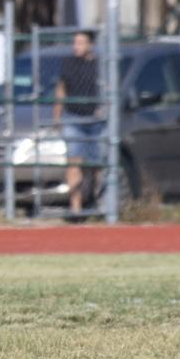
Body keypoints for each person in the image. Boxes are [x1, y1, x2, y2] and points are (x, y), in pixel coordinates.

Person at [54, 30, 104, 218]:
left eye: (81, 42)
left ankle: (98, 204)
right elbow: (60, 90)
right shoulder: (68, 64)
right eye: (75, 43)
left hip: (95, 120)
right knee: (74, 160)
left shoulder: (99, 65)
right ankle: (76, 209)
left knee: (97, 163)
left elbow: (106, 88)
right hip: (74, 118)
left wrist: (101, 108)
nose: (77, 46)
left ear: (90, 45)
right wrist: (57, 117)